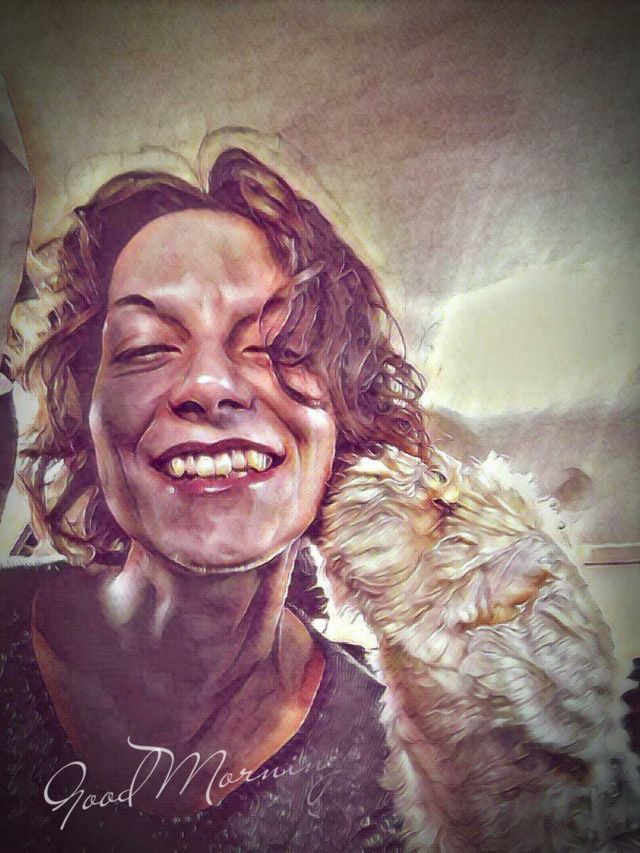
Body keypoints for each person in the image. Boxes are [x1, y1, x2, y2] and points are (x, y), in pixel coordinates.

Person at [1, 148, 425, 851]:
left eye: (276, 345)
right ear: (87, 417)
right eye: (144, 347)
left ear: (344, 413)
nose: (209, 384)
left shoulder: (404, 774)